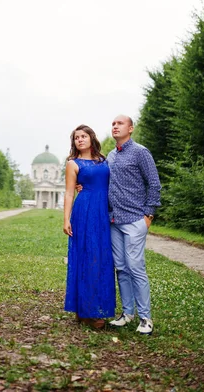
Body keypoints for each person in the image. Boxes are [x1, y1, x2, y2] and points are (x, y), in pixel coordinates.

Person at [107, 115, 161, 335]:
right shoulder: (110, 156)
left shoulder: (140, 152)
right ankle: (127, 313)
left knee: (135, 266)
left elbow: (154, 183)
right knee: (121, 267)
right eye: (112, 124)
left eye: (119, 123)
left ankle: (145, 318)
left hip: (135, 219)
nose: (115, 126)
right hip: (114, 221)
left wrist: (149, 214)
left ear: (130, 128)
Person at [63, 124, 116, 329]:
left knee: (101, 259)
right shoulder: (72, 164)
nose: (80, 140)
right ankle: (86, 311)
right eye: (76, 138)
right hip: (84, 212)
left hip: (103, 213)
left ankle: (92, 307)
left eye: (84, 136)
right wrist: (66, 219)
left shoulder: (105, 161)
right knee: (86, 257)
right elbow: (69, 193)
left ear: (91, 138)